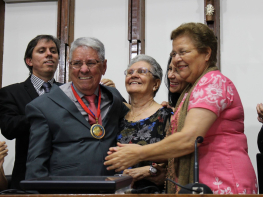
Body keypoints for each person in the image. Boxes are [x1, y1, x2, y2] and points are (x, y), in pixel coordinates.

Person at [104, 22, 257, 194]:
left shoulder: (213, 81)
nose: (176, 59)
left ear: (206, 53)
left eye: (183, 52)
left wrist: (139, 153)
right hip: (198, 186)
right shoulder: (188, 91)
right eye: (174, 53)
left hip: (223, 184)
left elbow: (189, 139)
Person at [25, 37, 129, 179]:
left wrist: (161, 108)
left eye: (91, 63)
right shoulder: (43, 106)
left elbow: (136, 118)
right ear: (69, 66)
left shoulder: (114, 97)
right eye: (77, 63)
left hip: (111, 187)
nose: (84, 69)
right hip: (66, 189)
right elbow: (36, 165)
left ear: (104, 66)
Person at [0, 35, 61, 189]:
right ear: (29, 61)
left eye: (53, 51)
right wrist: (44, 114)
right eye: (42, 51)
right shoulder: (11, 92)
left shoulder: (69, 91)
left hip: (64, 175)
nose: (49, 54)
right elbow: (9, 128)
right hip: (27, 176)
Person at [118, 54, 172, 192]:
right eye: (130, 72)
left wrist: (151, 170)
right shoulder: (118, 116)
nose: (133, 75)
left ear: (155, 84)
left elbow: (176, 162)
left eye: (141, 71)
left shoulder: (167, 116)